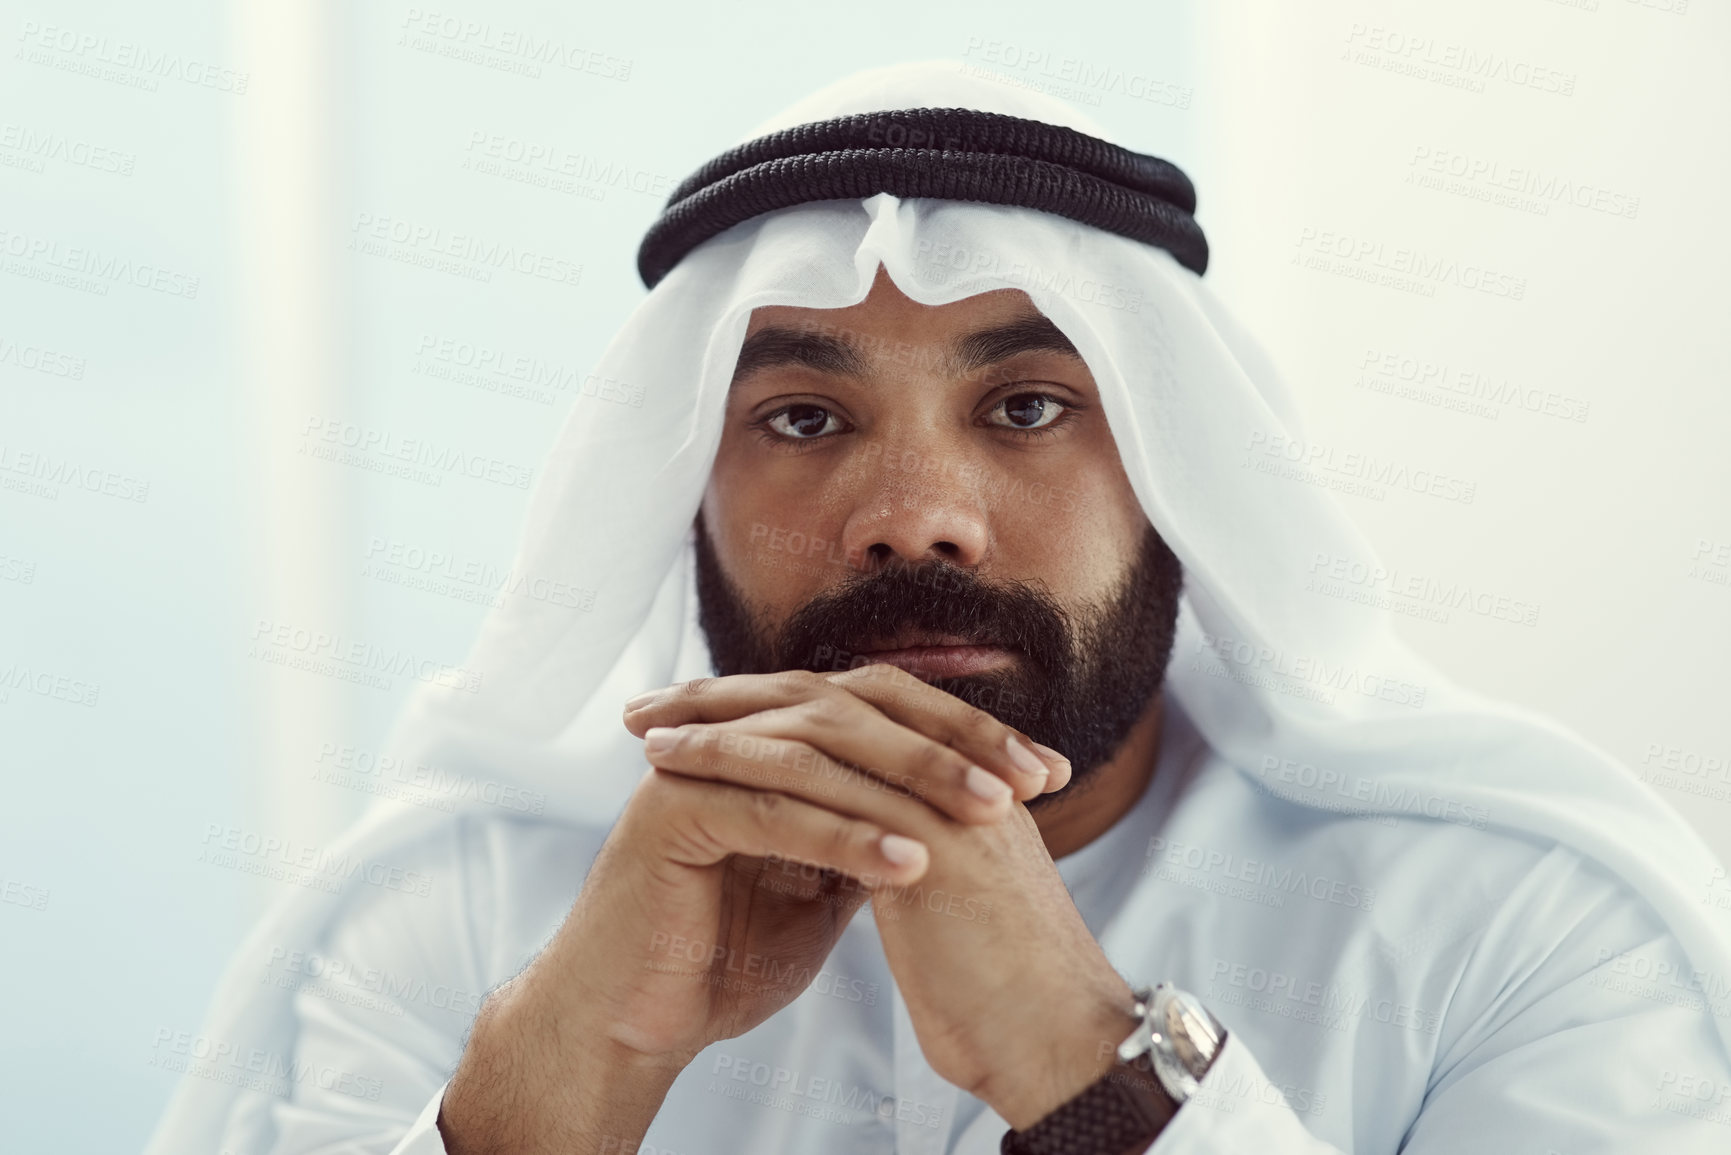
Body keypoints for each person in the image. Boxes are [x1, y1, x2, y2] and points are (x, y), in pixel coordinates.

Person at [147, 62, 1731, 1155]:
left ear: (1175, 471)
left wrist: (1099, 1077)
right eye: (806, 422)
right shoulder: (439, 922)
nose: (913, 518)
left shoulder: (1527, 927)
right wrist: (559, 1086)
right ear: (680, 485)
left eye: (1030, 408)